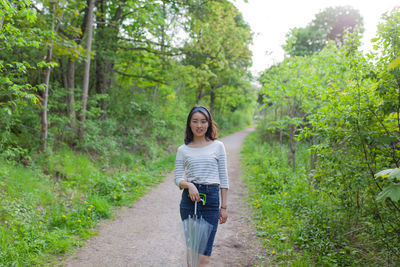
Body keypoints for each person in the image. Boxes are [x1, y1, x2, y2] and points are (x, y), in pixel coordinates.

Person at [174, 106, 229, 267]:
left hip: (211, 201)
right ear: (189, 124)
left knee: (203, 255)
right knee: (193, 251)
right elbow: (177, 179)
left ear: (209, 124)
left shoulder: (218, 146)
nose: (199, 125)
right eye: (195, 121)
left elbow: (224, 179)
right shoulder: (182, 150)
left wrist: (224, 207)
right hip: (189, 202)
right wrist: (189, 185)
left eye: (203, 121)